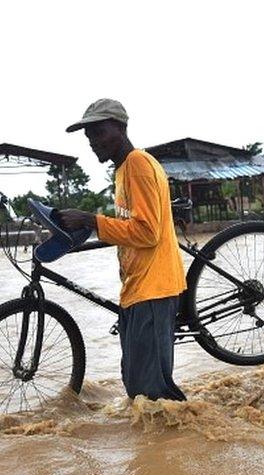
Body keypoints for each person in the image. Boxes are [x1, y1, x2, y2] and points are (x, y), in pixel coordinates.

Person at [58, 98, 187, 401]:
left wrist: (92, 219)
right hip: (137, 288)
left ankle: (185, 444)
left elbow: (147, 232)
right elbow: (129, 228)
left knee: (153, 393)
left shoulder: (138, 165)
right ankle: (162, 445)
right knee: (137, 386)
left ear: (120, 127)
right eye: (88, 136)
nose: (92, 142)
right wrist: (85, 229)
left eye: (98, 132)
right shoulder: (123, 170)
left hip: (154, 288)